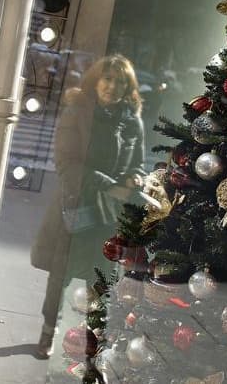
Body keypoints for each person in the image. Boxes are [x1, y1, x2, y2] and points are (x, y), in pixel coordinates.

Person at [29, 54, 147, 358]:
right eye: (107, 79)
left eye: (120, 82)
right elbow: (66, 164)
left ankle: (93, 336)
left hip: (110, 214)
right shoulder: (77, 112)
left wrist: (134, 178)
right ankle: (48, 330)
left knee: (101, 278)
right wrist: (108, 184)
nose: (113, 87)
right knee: (61, 273)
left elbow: (138, 164)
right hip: (77, 204)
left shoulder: (131, 119)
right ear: (96, 81)